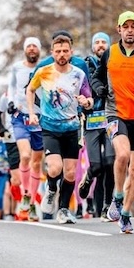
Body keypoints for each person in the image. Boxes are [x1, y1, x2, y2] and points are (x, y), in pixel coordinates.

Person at [91, 11, 134, 233]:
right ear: (119, 29)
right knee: (122, 154)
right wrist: (99, 88)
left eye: (133, 26)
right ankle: (118, 196)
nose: (129, 30)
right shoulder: (109, 53)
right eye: (125, 26)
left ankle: (126, 214)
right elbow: (97, 77)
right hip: (115, 113)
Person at [27, 34, 93, 224]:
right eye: (58, 51)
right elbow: (30, 90)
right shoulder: (43, 72)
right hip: (49, 127)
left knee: (70, 173)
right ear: (52, 53)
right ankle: (51, 189)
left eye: (65, 51)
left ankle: (63, 210)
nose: (62, 54)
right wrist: (32, 113)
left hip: (72, 127)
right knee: (55, 168)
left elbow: (89, 97)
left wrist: (86, 102)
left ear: (71, 52)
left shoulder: (78, 74)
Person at [6, 37, 44, 221]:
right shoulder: (16, 68)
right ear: (24, 50)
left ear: (39, 50)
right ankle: (25, 194)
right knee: (26, 156)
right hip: (20, 117)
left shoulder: (45, 67)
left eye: (34, 46)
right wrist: (11, 103)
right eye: (28, 46)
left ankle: (31, 203)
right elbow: (11, 88)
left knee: (37, 163)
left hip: (40, 119)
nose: (31, 49)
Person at [81, 31, 116, 220]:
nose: (101, 45)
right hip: (92, 120)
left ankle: (106, 205)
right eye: (97, 42)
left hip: (110, 117)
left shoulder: (114, 62)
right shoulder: (84, 65)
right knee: (97, 166)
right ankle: (88, 177)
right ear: (92, 46)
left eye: (104, 42)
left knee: (110, 162)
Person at [0, 93, 26, 219]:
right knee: (16, 181)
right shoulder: (6, 96)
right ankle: (11, 212)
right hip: (11, 140)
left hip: (27, 137)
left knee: (27, 174)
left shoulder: (30, 90)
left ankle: (25, 208)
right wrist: (2, 128)